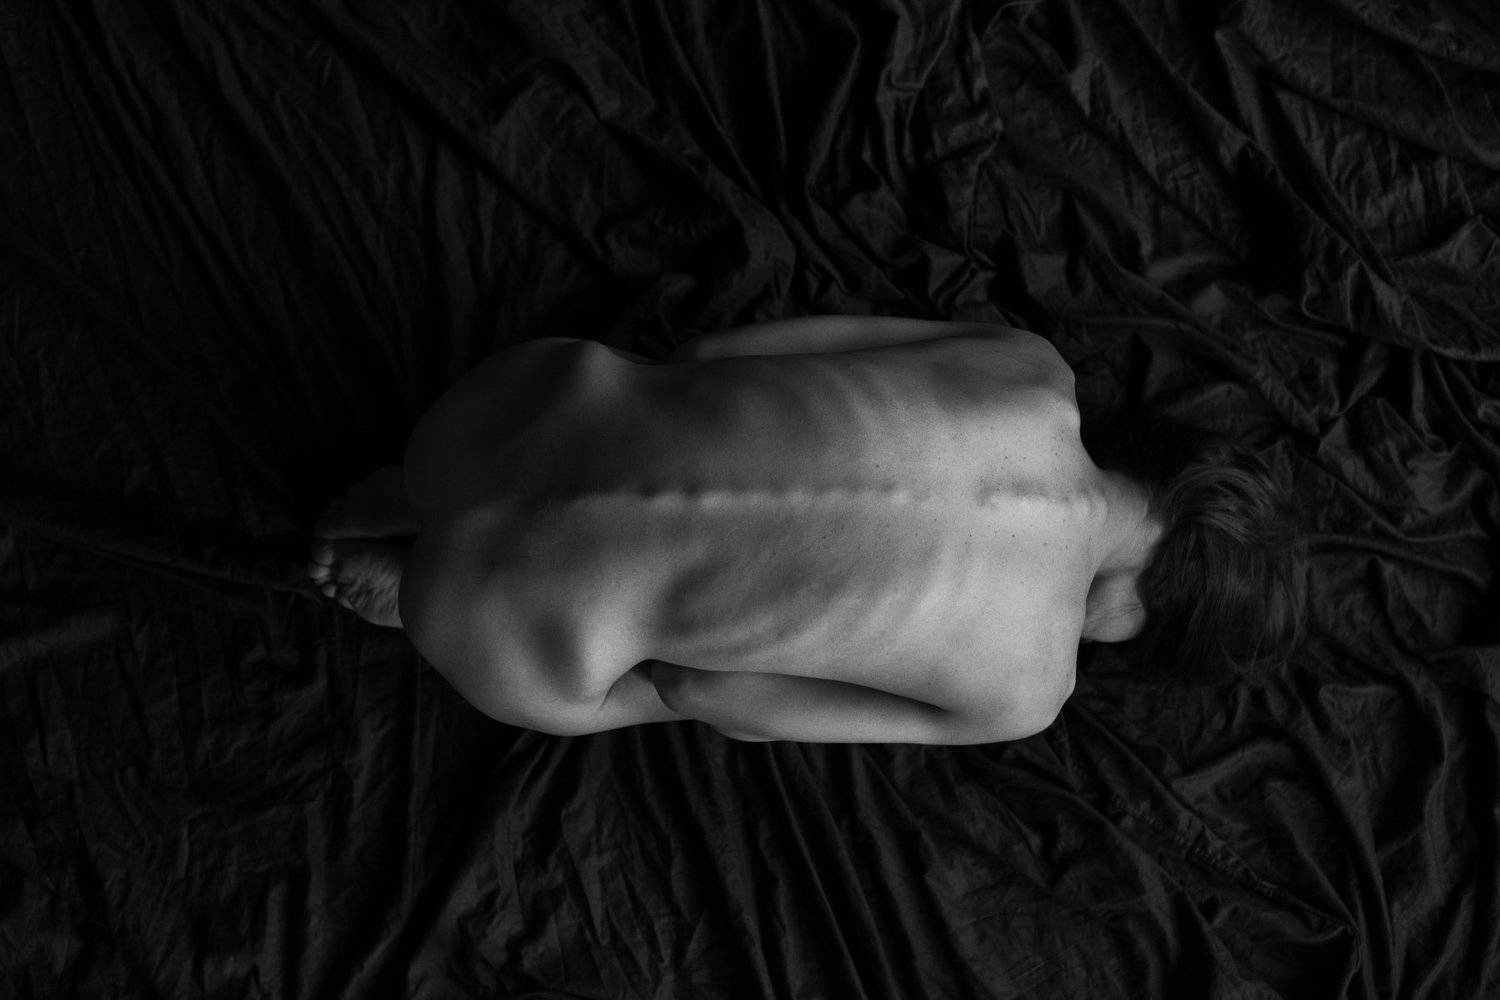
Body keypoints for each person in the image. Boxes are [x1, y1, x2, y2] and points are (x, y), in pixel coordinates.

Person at [306, 317, 1304, 744]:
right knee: (661, 686)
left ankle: (419, 488)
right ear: (1144, 611)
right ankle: (439, 585)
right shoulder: (1029, 690)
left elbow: (722, 349)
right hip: (513, 641)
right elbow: (711, 693)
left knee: (660, 397)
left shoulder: (1033, 367)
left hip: (513, 398)